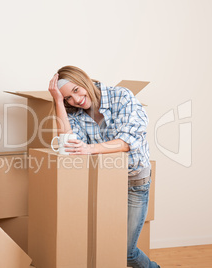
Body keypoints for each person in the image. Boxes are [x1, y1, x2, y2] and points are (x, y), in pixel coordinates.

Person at [48, 65, 160, 268]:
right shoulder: (75, 113)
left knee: (126, 252)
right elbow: (67, 145)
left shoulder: (121, 96)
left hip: (135, 182)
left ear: (84, 80)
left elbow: (127, 142)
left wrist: (90, 149)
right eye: (68, 98)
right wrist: (58, 101)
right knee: (104, 246)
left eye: (75, 90)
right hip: (104, 185)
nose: (76, 100)